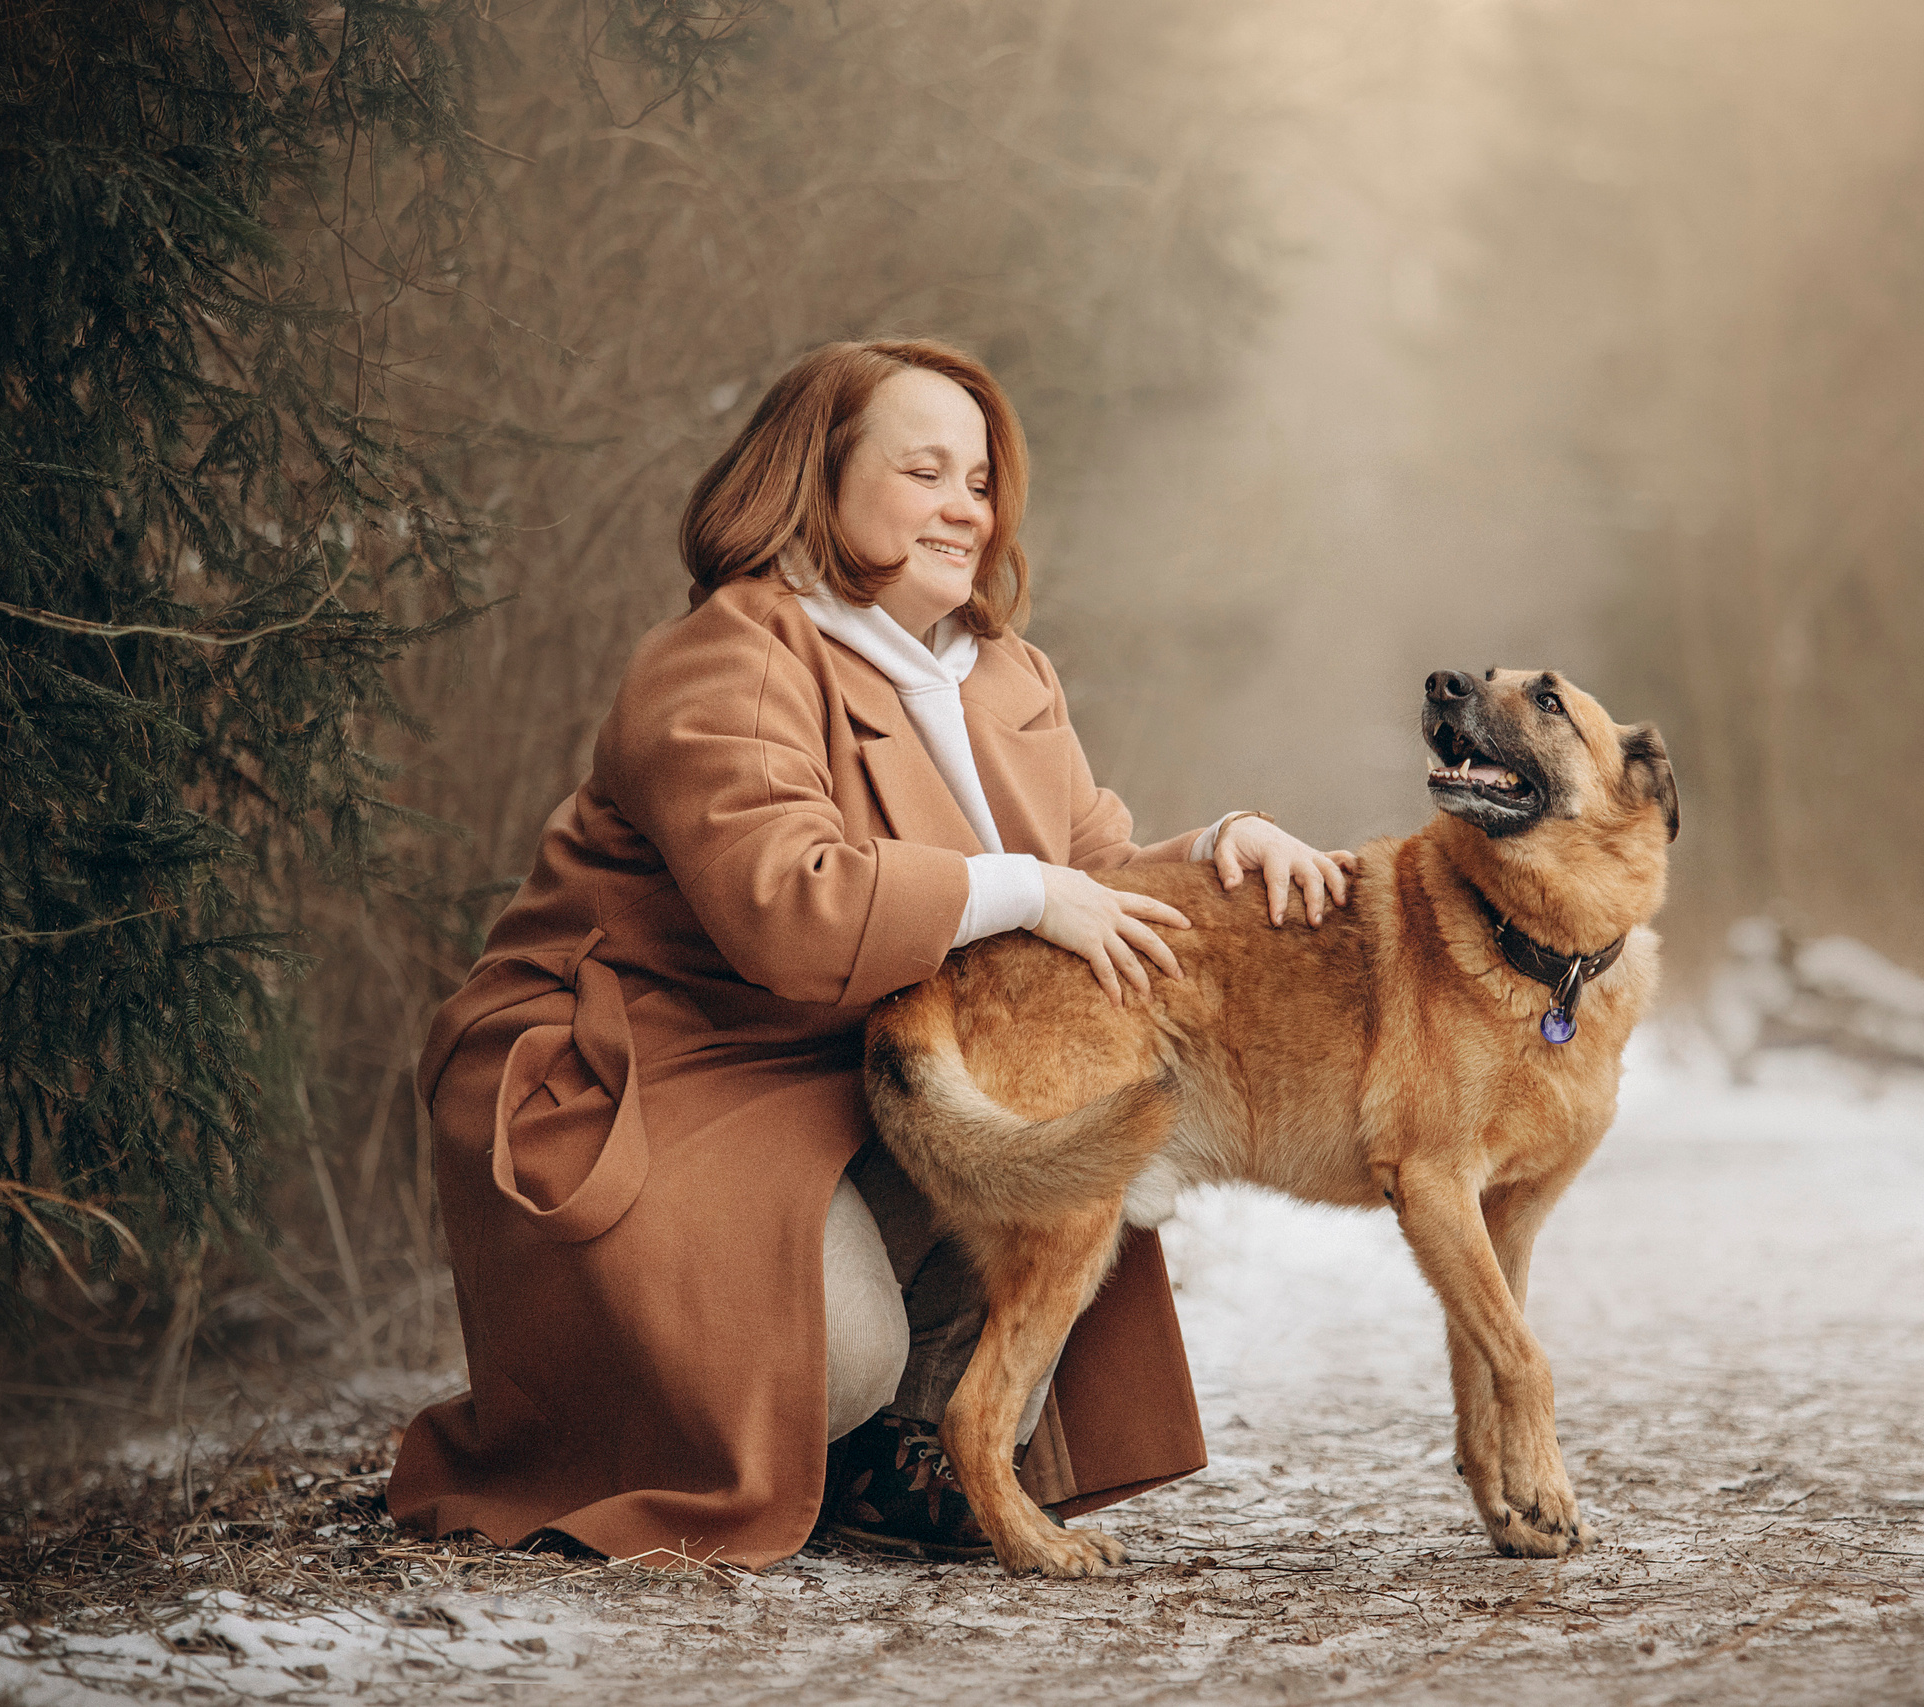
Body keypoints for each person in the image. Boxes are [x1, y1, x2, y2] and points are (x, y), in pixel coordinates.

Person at [386, 338, 1355, 1568]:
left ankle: (905, 1452)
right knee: (833, 1360)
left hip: (835, 1068)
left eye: (982, 480)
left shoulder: (1002, 673)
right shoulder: (726, 658)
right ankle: (792, 1429)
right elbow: (789, 904)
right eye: (925, 472)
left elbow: (1089, 879)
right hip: (649, 1076)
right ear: (818, 478)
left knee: (1057, 1122)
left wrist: (1222, 841)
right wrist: (1023, 888)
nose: (966, 506)